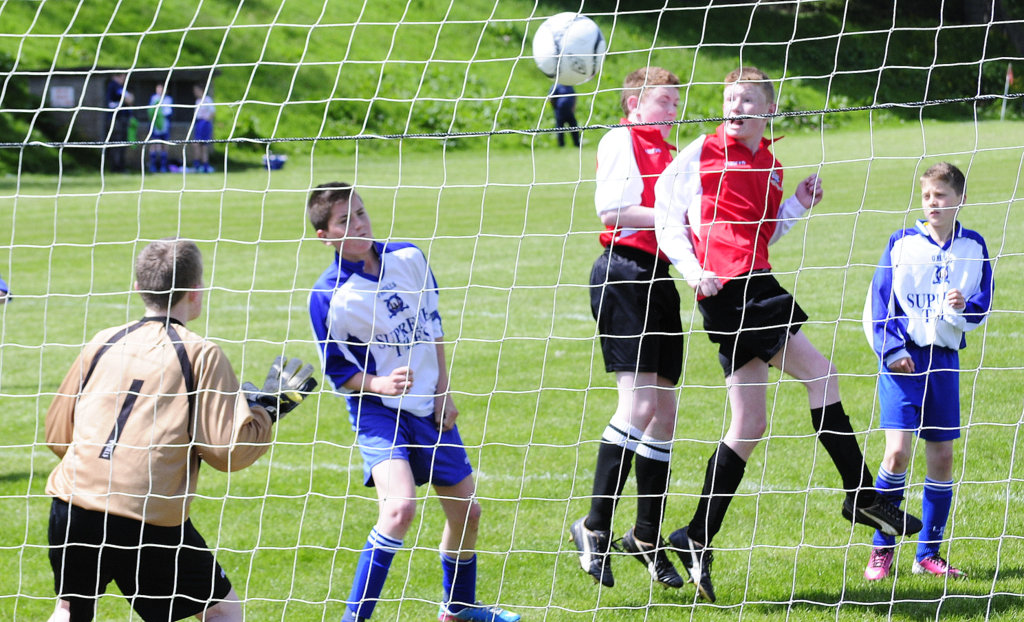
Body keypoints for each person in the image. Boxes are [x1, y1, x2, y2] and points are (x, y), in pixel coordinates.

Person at [653, 66, 922, 603]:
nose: (735, 108)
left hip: (752, 284)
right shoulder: (701, 152)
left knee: (749, 424)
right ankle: (860, 495)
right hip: (732, 289)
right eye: (730, 99)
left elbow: (766, 231)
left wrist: (796, 202)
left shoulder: (771, 165)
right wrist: (693, 271)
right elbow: (667, 216)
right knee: (822, 375)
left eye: (747, 100)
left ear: (768, 109)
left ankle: (695, 536)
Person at [44, 238, 316, 622]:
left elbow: (57, 433)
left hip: (71, 504)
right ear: (196, 291)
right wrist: (266, 412)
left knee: (70, 609)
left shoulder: (103, 340)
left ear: (138, 287)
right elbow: (228, 453)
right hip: (145, 515)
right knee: (221, 611)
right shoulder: (201, 353)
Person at [306, 183, 519, 622]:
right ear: (324, 236)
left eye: (361, 212)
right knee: (399, 508)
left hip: (428, 403)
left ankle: (458, 608)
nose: (359, 224)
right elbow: (339, 372)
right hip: (378, 411)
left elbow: (432, 325)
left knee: (468, 513)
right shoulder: (329, 297)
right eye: (345, 220)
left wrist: (443, 390)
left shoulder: (409, 257)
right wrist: (380, 384)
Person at [568, 66, 684, 590]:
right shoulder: (622, 139)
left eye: (676, 102)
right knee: (637, 406)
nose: (673, 110)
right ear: (635, 104)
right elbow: (611, 209)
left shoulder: (668, 152)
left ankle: (645, 536)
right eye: (664, 101)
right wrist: (674, 216)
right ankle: (593, 526)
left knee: (664, 414)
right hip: (623, 274)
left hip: (659, 279)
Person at [861, 162, 993, 581]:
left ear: (960, 199)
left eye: (940, 195)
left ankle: (928, 553)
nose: (932, 203)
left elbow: (984, 301)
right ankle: (882, 548)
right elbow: (878, 303)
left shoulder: (973, 245)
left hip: (945, 361)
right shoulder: (902, 243)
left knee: (942, 457)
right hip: (903, 359)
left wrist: (961, 308)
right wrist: (892, 350)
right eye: (926, 196)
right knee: (897, 453)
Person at [104, 72, 135, 173]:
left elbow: (131, 99)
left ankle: (119, 167)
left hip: (121, 119)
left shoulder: (119, 87)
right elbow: (128, 99)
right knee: (117, 143)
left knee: (121, 143)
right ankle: (116, 168)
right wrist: (127, 100)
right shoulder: (114, 85)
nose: (125, 79)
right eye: (123, 76)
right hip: (116, 120)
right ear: (118, 76)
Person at [147, 83, 173, 173]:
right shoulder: (154, 98)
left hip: (165, 125)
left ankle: (163, 166)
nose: (159, 91)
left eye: (161, 89)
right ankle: (153, 165)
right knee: (154, 144)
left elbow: (169, 112)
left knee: (164, 144)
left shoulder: (168, 99)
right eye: (157, 89)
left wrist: (162, 115)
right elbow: (150, 111)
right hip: (155, 126)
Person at [548, 83, 580, 148]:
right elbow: (550, 98)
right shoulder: (556, 86)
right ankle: (561, 145)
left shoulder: (569, 85)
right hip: (560, 112)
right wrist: (555, 107)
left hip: (570, 111)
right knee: (560, 129)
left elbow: (574, 96)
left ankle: (577, 144)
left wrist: (574, 107)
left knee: (574, 127)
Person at [192, 84, 215, 173]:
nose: (195, 92)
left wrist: (205, 120)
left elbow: (213, 113)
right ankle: (197, 166)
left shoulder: (208, 99)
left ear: (201, 90)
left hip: (205, 124)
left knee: (204, 146)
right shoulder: (197, 101)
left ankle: (205, 167)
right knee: (196, 145)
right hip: (198, 123)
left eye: (196, 90)